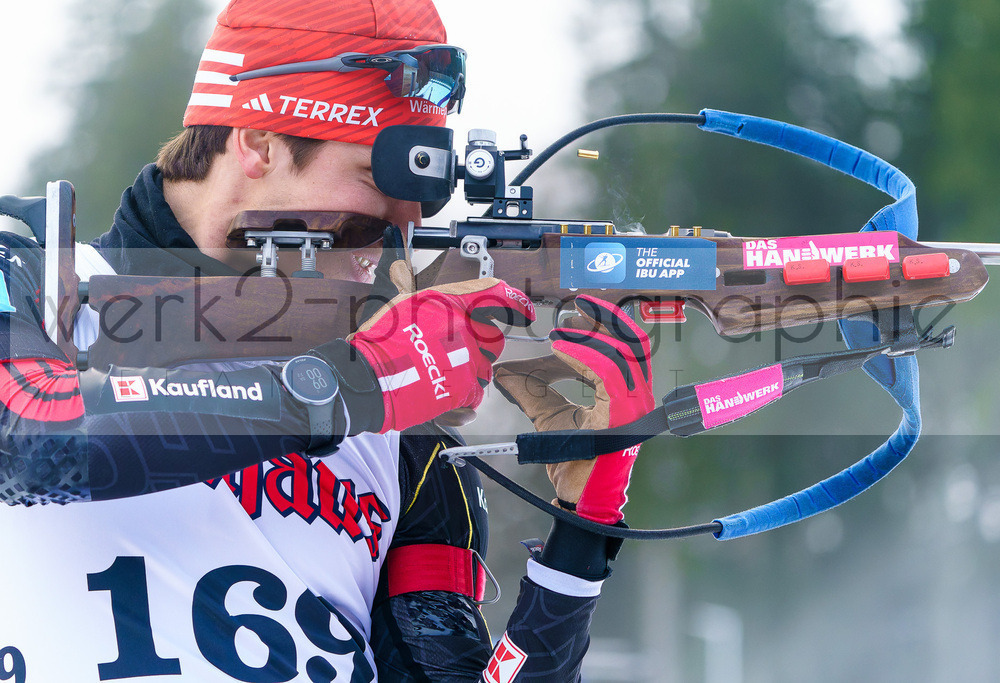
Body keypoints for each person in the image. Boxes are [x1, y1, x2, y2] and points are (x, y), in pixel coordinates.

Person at [0, 1, 655, 680]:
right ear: (258, 141)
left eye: (422, 202)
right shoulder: (29, 281)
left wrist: (583, 534)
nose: (403, 229)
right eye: (376, 180)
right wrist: (357, 381)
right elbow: (34, 440)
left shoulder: (405, 423)